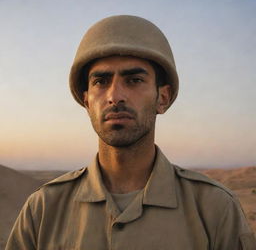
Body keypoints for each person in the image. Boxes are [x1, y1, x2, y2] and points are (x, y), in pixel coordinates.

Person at [6, 15, 256, 250]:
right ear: (87, 102)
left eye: (134, 80)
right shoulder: (43, 210)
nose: (115, 96)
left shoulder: (215, 208)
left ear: (163, 98)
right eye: (101, 82)